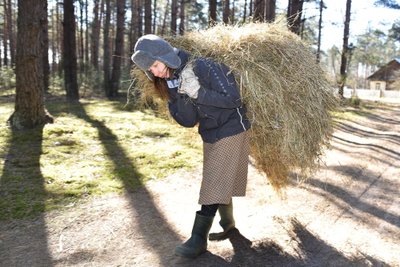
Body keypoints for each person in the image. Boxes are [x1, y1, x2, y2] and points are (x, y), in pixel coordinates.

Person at [131, 34, 251, 258]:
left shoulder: (206, 66)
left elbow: (234, 100)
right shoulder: (171, 80)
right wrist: (177, 95)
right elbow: (187, 121)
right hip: (210, 132)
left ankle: (198, 239)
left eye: (156, 65)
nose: (155, 73)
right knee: (220, 177)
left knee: (214, 180)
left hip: (232, 127)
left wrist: (199, 92)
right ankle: (228, 225)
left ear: (165, 56)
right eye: (151, 70)